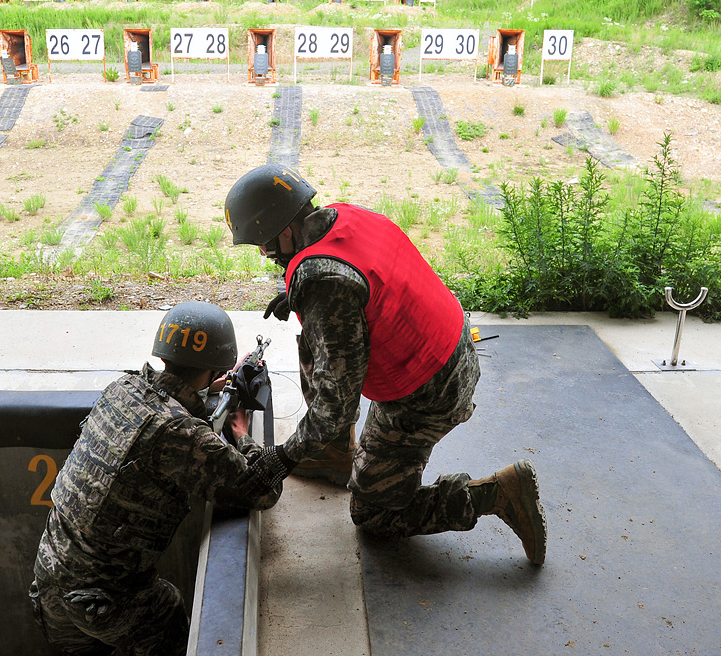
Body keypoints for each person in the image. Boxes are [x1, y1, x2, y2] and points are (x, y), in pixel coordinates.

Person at [224, 164, 547, 564]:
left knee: (373, 515)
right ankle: (333, 454)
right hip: (447, 348)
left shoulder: (323, 282)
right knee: (318, 341)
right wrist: (307, 301)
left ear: (287, 232)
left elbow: (336, 407)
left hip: (428, 394)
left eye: (266, 244)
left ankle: (497, 493)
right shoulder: (346, 215)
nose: (264, 254)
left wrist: (284, 456)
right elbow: (366, 283)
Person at [29, 302, 281, 656]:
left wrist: (204, 391)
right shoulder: (180, 432)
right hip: (103, 600)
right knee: (169, 612)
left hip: (49, 580)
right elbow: (263, 489)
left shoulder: (122, 388)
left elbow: (163, 409)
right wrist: (241, 433)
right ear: (215, 369)